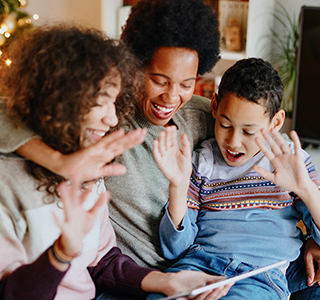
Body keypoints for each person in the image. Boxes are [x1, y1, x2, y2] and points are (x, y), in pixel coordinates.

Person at [0, 0, 318, 299]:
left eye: (186, 83)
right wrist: (58, 161)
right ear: (135, 66)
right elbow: (11, 111)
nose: (171, 98)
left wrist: (310, 237)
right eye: (159, 79)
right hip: (144, 275)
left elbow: (249, 130)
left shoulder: (206, 116)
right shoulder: (102, 120)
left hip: (205, 269)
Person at [0, 25, 232, 300]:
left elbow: (102, 261)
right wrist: (60, 254)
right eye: (100, 102)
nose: (112, 120)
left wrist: (167, 282)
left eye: (114, 102)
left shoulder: (90, 163)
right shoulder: (8, 183)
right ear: (57, 100)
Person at [149, 58, 320, 299]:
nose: (233, 142)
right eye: (225, 124)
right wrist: (178, 187)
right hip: (199, 267)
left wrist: (306, 190)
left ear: (276, 122)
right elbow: (175, 249)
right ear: (215, 106)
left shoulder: (293, 161)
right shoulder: (202, 162)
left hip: (259, 277)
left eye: (249, 131)